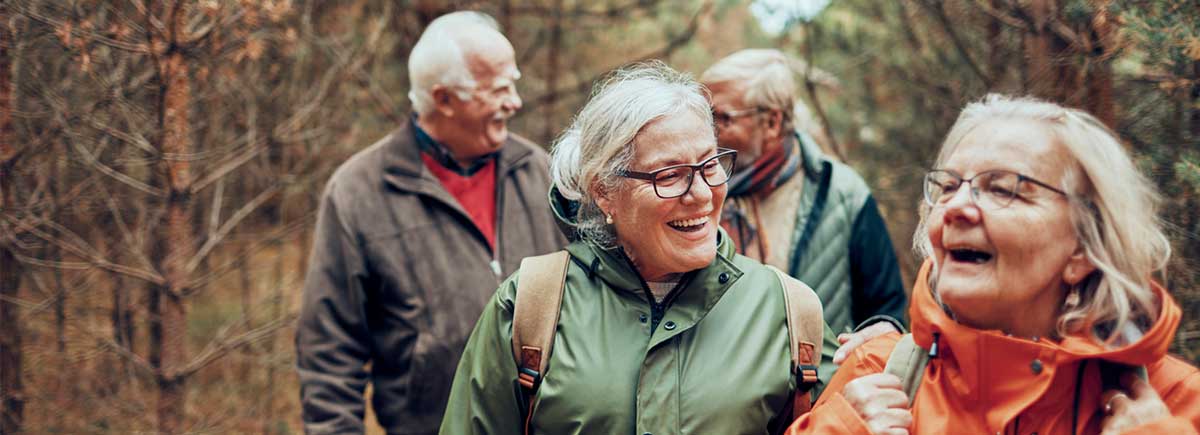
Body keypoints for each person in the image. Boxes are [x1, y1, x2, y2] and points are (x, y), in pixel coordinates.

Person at [439, 62, 842, 435]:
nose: (701, 193)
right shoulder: (531, 306)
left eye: (709, 165)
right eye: (670, 175)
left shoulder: (789, 311)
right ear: (604, 193)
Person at [786, 94, 1200, 435]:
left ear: (1083, 248)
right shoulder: (874, 375)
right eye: (947, 187)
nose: (956, 207)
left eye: (1004, 189)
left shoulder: (1176, 400)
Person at [295, 11, 567, 434]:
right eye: (498, 90)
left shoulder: (540, 173)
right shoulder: (358, 193)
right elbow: (329, 354)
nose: (515, 102)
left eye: (513, 83)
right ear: (443, 100)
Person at [700, 49, 908, 342]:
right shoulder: (696, 191)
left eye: (722, 118)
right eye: (704, 115)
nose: (708, 131)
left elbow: (885, 314)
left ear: (772, 122)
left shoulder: (844, 194)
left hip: (818, 385)